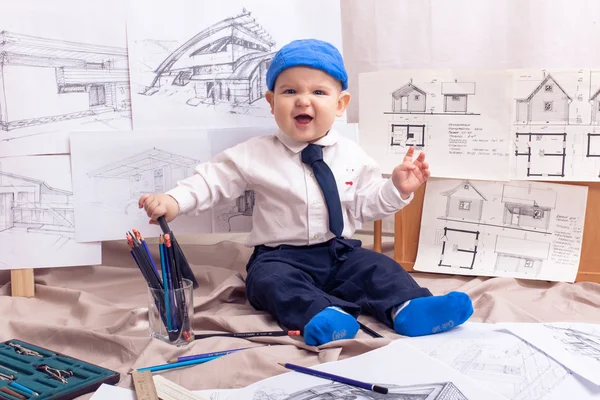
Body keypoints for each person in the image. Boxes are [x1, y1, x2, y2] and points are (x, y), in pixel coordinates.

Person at [139, 38, 474, 346]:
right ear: (271, 102)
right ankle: (324, 315)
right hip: (279, 255)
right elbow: (213, 180)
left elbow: (367, 205)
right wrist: (174, 201)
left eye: (318, 92)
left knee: (378, 267)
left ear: (341, 104)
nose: (303, 100)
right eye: (289, 92)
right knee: (271, 283)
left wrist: (397, 189)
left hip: (338, 251)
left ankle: (409, 308)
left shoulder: (352, 154)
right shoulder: (255, 153)